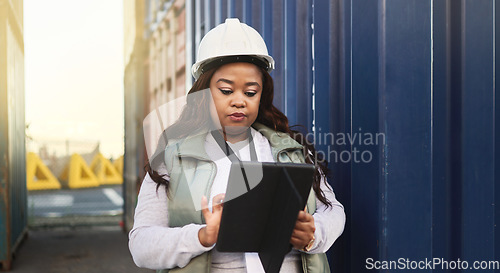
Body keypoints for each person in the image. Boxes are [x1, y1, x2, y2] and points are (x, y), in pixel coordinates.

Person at [129, 18, 345, 273]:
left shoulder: (293, 150)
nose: (239, 101)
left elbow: (333, 210)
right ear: (205, 92)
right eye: (226, 90)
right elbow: (141, 245)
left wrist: (313, 232)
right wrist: (202, 236)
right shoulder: (171, 160)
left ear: (261, 95)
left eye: (250, 92)